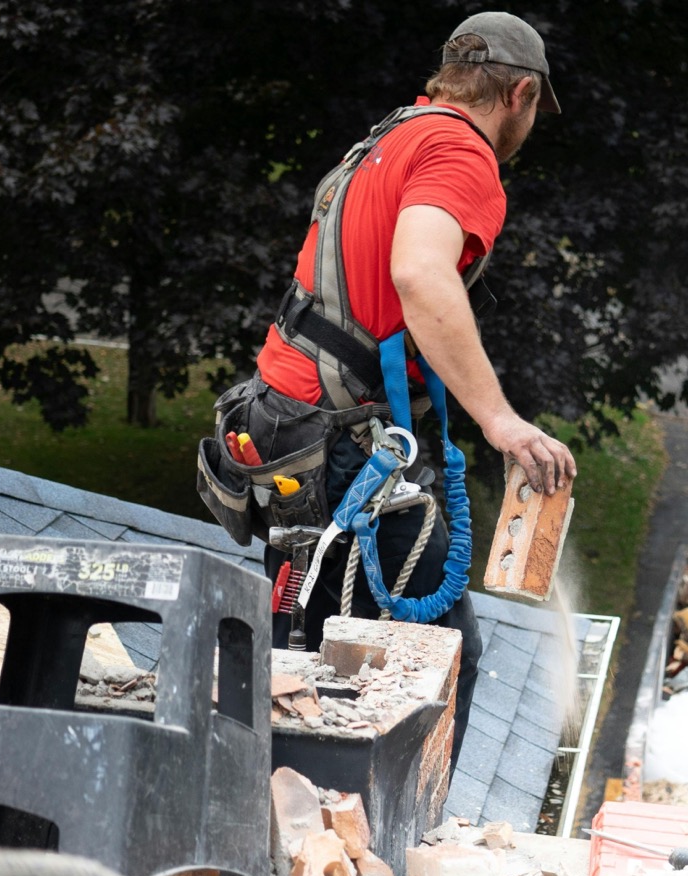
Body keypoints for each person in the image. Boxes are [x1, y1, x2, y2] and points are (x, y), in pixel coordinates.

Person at [215, 11, 578, 770]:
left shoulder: (393, 136)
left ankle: (281, 810)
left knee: (301, 653)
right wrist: (500, 421)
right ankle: (382, 836)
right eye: (533, 111)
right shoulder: (461, 153)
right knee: (431, 662)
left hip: (284, 424)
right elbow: (419, 272)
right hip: (342, 445)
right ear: (519, 94)